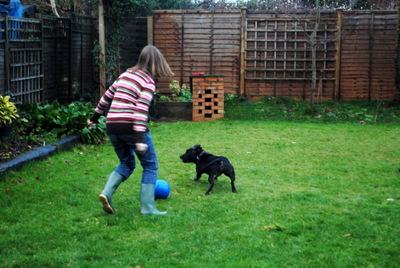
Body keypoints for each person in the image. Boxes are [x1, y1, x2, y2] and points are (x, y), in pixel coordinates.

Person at [88, 45, 174, 216]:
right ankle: (148, 208)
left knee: (126, 163)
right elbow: (141, 110)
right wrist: (140, 139)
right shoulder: (147, 82)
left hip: (112, 125)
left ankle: (106, 193)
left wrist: (94, 118)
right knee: (150, 165)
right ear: (156, 63)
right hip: (130, 127)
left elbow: (106, 97)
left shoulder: (125, 75)